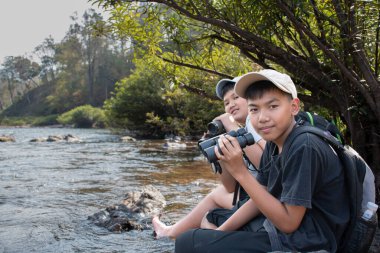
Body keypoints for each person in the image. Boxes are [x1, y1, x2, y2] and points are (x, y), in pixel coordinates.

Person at [175, 69, 350, 252]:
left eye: (273, 106)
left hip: (311, 240)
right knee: (212, 217)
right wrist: (218, 234)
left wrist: (241, 173)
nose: (263, 118)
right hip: (290, 228)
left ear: (294, 107)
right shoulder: (274, 142)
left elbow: (289, 223)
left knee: (187, 242)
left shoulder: (304, 146)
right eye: (254, 109)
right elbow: (263, 192)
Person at [152, 76, 265, 239]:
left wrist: (230, 125)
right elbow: (230, 188)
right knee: (217, 195)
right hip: (258, 195)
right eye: (226, 102)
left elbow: (266, 166)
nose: (231, 104)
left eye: (235, 97)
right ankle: (170, 231)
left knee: (209, 217)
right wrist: (220, 155)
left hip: (270, 198)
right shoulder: (246, 129)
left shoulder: (259, 124)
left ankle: (171, 232)